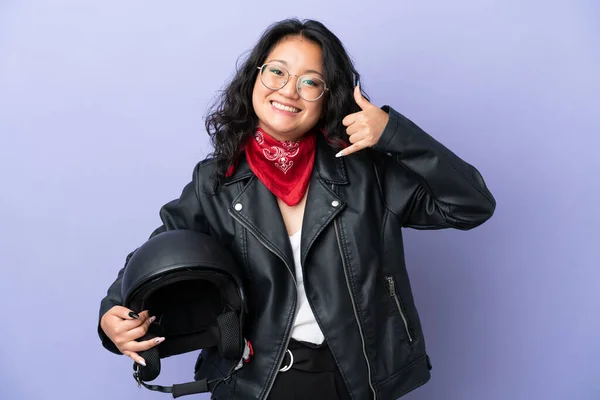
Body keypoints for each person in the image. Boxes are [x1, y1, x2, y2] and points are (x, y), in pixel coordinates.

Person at [97, 18, 496, 400]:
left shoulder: (366, 172)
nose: (289, 90)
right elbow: (160, 248)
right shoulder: (214, 181)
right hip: (254, 380)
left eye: (311, 82)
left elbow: (471, 205)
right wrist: (112, 313)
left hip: (355, 379)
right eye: (277, 72)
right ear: (255, 78)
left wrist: (394, 133)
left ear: (328, 98)